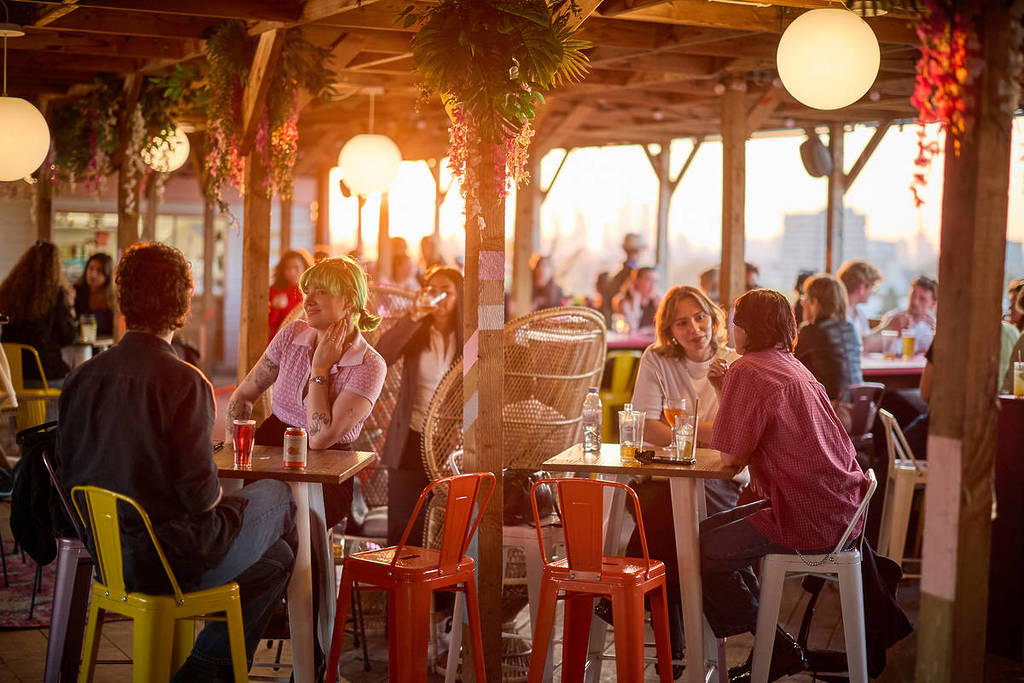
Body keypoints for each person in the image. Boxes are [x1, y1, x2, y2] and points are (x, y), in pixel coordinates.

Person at [55, 243, 297, 683]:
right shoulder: (185, 381)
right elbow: (201, 499)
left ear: (122, 300)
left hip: (107, 557)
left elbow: (69, 469)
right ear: (184, 301)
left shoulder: (81, 377)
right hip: (165, 562)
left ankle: (209, 668)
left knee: (277, 556)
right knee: (279, 496)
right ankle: (210, 671)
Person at [703, 288, 869, 683]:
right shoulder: (790, 365)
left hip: (807, 516)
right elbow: (747, 436)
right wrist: (723, 390)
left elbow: (730, 456)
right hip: (842, 511)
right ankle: (775, 647)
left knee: (701, 552)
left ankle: (775, 647)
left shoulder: (747, 369)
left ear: (746, 328)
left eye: (735, 322)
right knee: (708, 535)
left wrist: (725, 387)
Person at [623, 285, 744, 669]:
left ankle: (666, 632)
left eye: (700, 317)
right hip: (662, 476)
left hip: (719, 479)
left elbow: (739, 430)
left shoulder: (733, 361)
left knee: (667, 519)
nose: (694, 328)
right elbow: (645, 426)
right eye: (682, 322)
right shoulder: (657, 359)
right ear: (669, 330)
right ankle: (741, 622)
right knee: (666, 510)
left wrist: (681, 429)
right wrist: (710, 429)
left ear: (713, 317)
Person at [228, 256, 386, 530]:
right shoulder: (291, 335)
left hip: (327, 473)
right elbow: (242, 397)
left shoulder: (370, 364)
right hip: (270, 452)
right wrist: (237, 458)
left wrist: (320, 367)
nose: (308, 300)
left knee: (283, 529)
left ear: (348, 300)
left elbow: (320, 438)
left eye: (321, 292)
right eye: (307, 291)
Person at [374, 266, 463, 546]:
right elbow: (382, 355)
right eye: (432, 290)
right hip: (410, 439)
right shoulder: (415, 331)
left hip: (451, 444)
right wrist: (413, 315)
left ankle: (443, 590)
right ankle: (401, 587)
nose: (438, 298)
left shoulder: (469, 340)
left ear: (461, 297)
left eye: (446, 292)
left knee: (446, 532)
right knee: (404, 529)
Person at [0, 241, 76, 386]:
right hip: (44, 375)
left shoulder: (9, 291)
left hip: (11, 375)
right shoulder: (55, 295)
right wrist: (70, 308)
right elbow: (68, 336)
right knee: (76, 385)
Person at [793, 273, 863, 400]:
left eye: (805, 300)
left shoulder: (812, 332)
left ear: (815, 303)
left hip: (830, 408)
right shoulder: (851, 327)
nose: (803, 305)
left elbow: (786, 361)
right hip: (860, 408)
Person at [871, 275, 937, 354]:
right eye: (913, 294)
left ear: (933, 304)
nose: (915, 301)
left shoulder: (936, 327)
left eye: (922, 299)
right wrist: (890, 327)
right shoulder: (893, 317)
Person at [268, 249, 312, 340]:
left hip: (305, 340)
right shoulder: (275, 290)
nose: (292, 272)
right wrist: (276, 308)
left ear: (305, 268)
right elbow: (268, 324)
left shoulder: (311, 291)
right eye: (288, 268)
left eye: (296, 267)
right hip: (279, 340)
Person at [73, 252, 116, 337]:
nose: (93, 274)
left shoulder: (114, 297)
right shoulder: (76, 292)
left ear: (107, 274)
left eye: (99, 270)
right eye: (90, 268)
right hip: (81, 347)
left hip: (108, 346)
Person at [837, 259, 882, 338]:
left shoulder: (860, 314)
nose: (872, 292)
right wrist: (887, 327)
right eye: (872, 287)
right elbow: (858, 344)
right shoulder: (839, 314)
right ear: (862, 288)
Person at [613, 266, 659, 332]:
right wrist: (635, 301)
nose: (653, 285)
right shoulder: (625, 303)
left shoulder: (657, 302)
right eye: (648, 280)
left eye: (655, 281)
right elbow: (632, 328)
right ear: (636, 282)